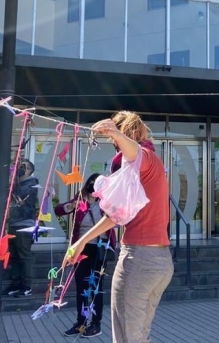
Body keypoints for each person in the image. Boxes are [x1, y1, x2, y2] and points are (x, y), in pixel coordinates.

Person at [65, 111, 173, 343]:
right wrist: (82, 241)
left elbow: (135, 153)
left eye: (115, 142)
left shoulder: (145, 158)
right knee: (137, 336)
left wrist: (116, 134)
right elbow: (115, 216)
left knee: (126, 337)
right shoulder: (147, 169)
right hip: (160, 262)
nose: (115, 147)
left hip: (139, 259)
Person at [55, 173, 116, 337]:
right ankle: (81, 322)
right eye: (91, 182)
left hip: (99, 246)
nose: (93, 185)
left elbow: (115, 219)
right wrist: (71, 206)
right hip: (81, 247)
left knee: (96, 286)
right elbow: (59, 210)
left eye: (97, 183)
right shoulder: (80, 198)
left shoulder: (106, 200)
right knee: (81, 286)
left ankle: (96, 323)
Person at [3, 159, 39, 297]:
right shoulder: (16, 183)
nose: (19, 169)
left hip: (25, 224)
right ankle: (15, 284)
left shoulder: (32, 184)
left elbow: (22, 195)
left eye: (23, 167)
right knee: (14, 256)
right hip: (13, 223)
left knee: (24, 255)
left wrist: (14, 181)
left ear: (29, 171)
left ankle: (26, 285)